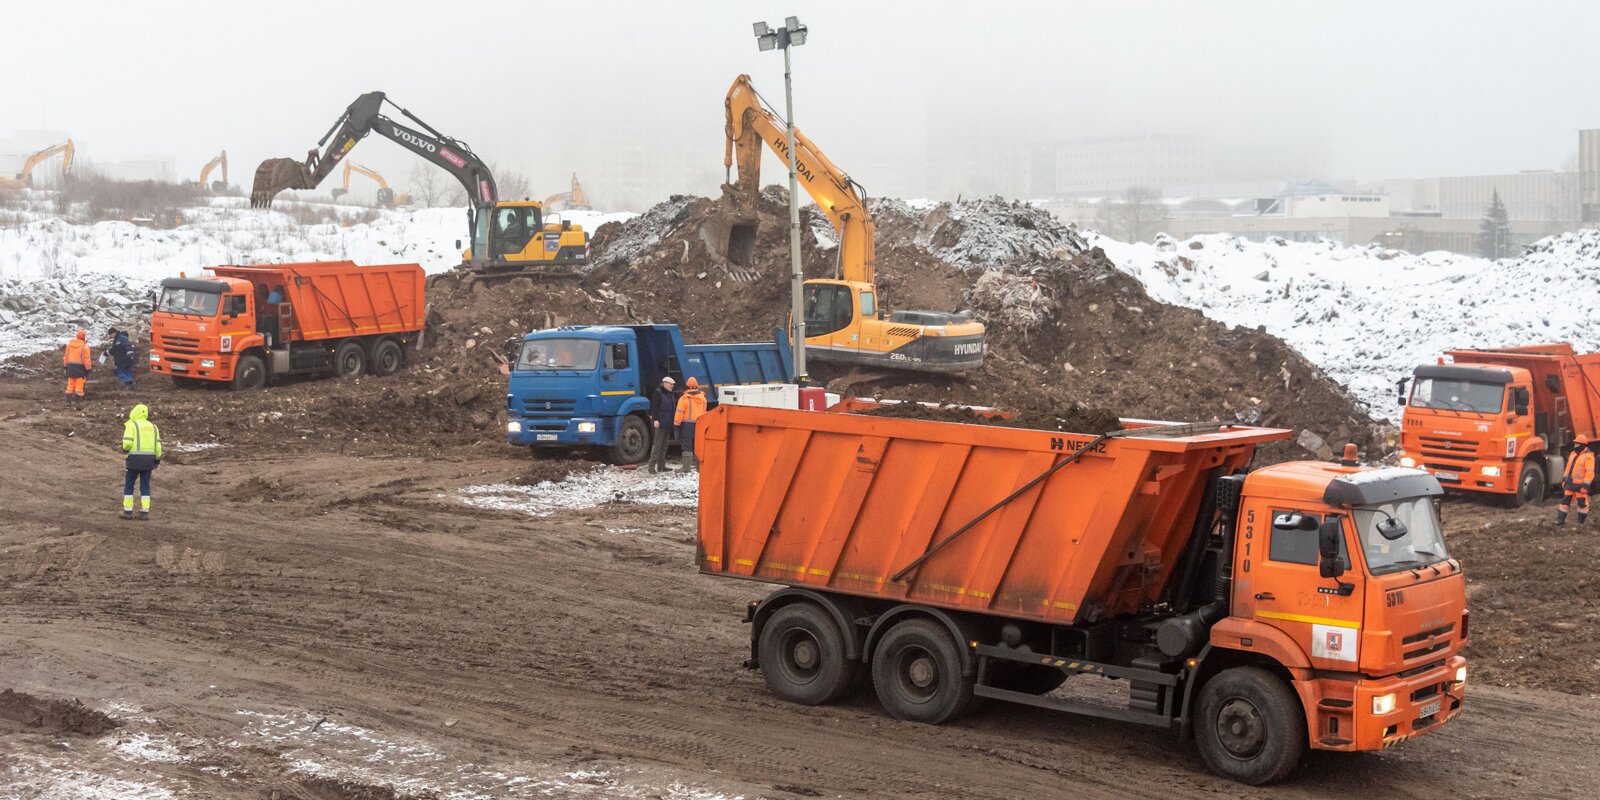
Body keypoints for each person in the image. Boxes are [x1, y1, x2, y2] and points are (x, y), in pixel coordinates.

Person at [120, 403, 163, 521]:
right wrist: (157, 460)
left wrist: (125, 448)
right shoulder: (154, 427)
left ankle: (127, 511)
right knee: (145, 485)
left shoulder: (132, 425)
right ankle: (145, 512)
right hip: (149, 461)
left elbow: (127, 443)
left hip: (134, 460)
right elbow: (158, 447)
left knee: (129, 484)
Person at [1556, 434, 1596, 526]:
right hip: (1570, 484)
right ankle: (1560, 521)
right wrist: (1564, 479)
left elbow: (1589, 473)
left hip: (1580, 486)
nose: (1575, 446)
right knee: (1565, 503)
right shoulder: (1573, 454)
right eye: (1575, 444)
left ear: (1583, 445)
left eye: (1577, 444)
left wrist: (1585, 485)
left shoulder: (1588, 457)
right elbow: (1568, 468)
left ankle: (1581, 523)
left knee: (1582, 505)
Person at [674, 376, 708, 471]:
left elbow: (679, 413)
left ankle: (686, 468)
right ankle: (699, 467)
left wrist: (676, 424)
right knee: (698, 445)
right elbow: (705, 412)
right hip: (699, 424)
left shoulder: (684, 399)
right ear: (697, 386)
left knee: (687, 446)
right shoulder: (703, 399)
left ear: (687, 386)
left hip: (687, 426)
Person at [647, 376, 678, 473]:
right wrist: (655, 420)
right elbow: (654, 408)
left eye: (673, 385)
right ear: (665, 383)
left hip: (667, 423)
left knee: (664, 446)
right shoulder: (658, 393)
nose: (672, 386)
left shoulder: (670, 393)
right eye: (670, 384)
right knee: (657, 445)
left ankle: (661, 466)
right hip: (660, 423)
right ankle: (651, 467)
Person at [63, 330, 92, 405]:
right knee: (79, 383)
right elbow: (87, 359)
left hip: (70, 366)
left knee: (71, 382)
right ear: (84, 337)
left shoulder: (69, 345)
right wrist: (88, 370)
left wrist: (65, 366)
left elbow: (66, 357)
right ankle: (77, 399)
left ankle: (68, 398)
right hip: (80, 367)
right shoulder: (85, 347)